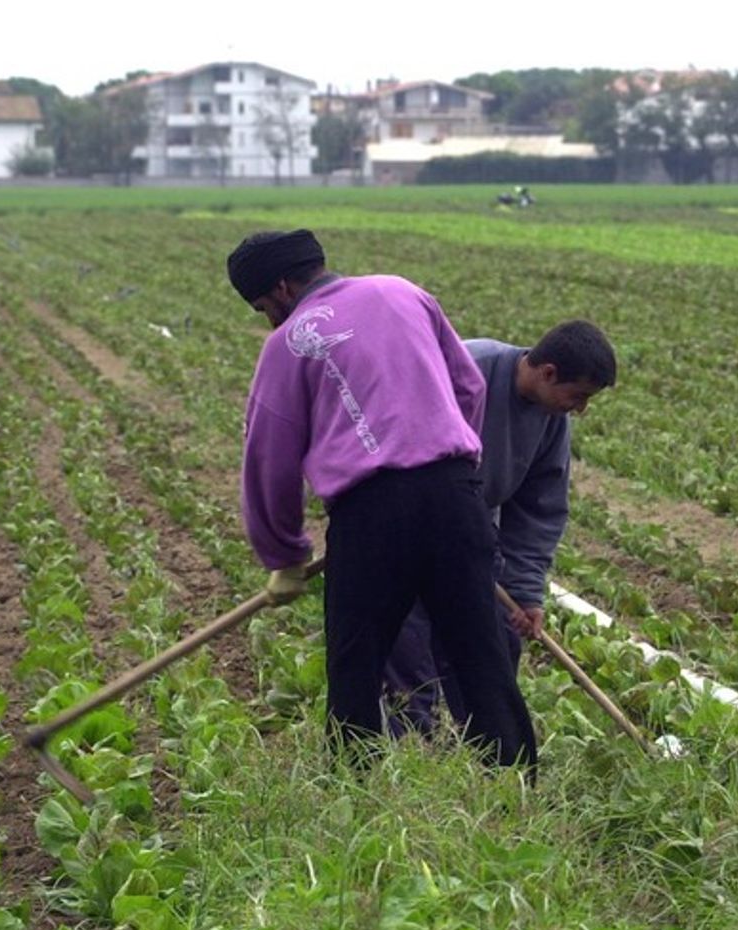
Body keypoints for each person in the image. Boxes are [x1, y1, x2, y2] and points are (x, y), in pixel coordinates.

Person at [227, 228, 536, 771]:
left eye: (261, 307)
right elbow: (470, 387)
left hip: (370, 515)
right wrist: (451, 466)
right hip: (455, 499)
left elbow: (269, 455)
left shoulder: (289, 342)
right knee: (480, 653)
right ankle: (516, 783)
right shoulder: (402, 291)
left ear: (278, 289)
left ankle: (355, 787)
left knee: (357, 664)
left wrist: (284, 555)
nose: (267, 319)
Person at [383, 321, 617, 732]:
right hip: (404, 524)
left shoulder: (551, 419)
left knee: (493, 643)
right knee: (409, 643)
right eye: (578, 395)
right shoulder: (463, 371)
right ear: (548, 373)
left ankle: (488, 748)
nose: (580, 409)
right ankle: (410, 751)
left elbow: (538, 510)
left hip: (472, 532)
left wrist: (525, 592)